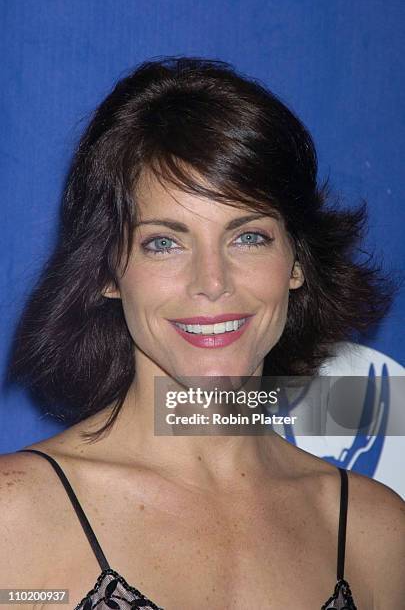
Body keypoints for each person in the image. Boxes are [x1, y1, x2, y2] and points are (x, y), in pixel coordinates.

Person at [1, 56, 404, 610]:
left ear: (296, 261)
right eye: (164, 242)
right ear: (107, 273)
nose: (211, 283)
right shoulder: (13, 517)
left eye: (249, 237)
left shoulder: (378, 533)